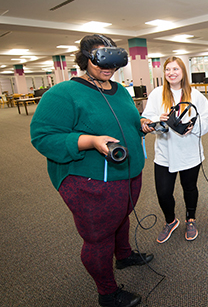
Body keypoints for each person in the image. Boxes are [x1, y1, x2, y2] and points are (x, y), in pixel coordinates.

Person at [30, 34, 153, 307]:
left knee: (121, 218)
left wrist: (142, 122)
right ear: (84, 58)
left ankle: (123, 256)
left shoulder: (119, 90)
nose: (107, 66)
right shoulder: (63, 94)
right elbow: (42, 136)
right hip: (91, 181)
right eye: (100, 59)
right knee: (98, 237)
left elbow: (128, 121)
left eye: (113, 59)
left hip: (127, 174)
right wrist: (91, 141)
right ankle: (107, 293)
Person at [141, 56, 208, 243]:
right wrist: (157, 119)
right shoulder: (157, 94)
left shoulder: (196, 95)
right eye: (168, 70)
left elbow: (207, 120)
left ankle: (191, 219)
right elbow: (146, 119)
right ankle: (170, 221)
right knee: (163, 192)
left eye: (176, 69)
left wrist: (193, 127)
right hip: (165, 152)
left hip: (189, 151)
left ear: (183, 72)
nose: (171, 73)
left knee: (189, 188)